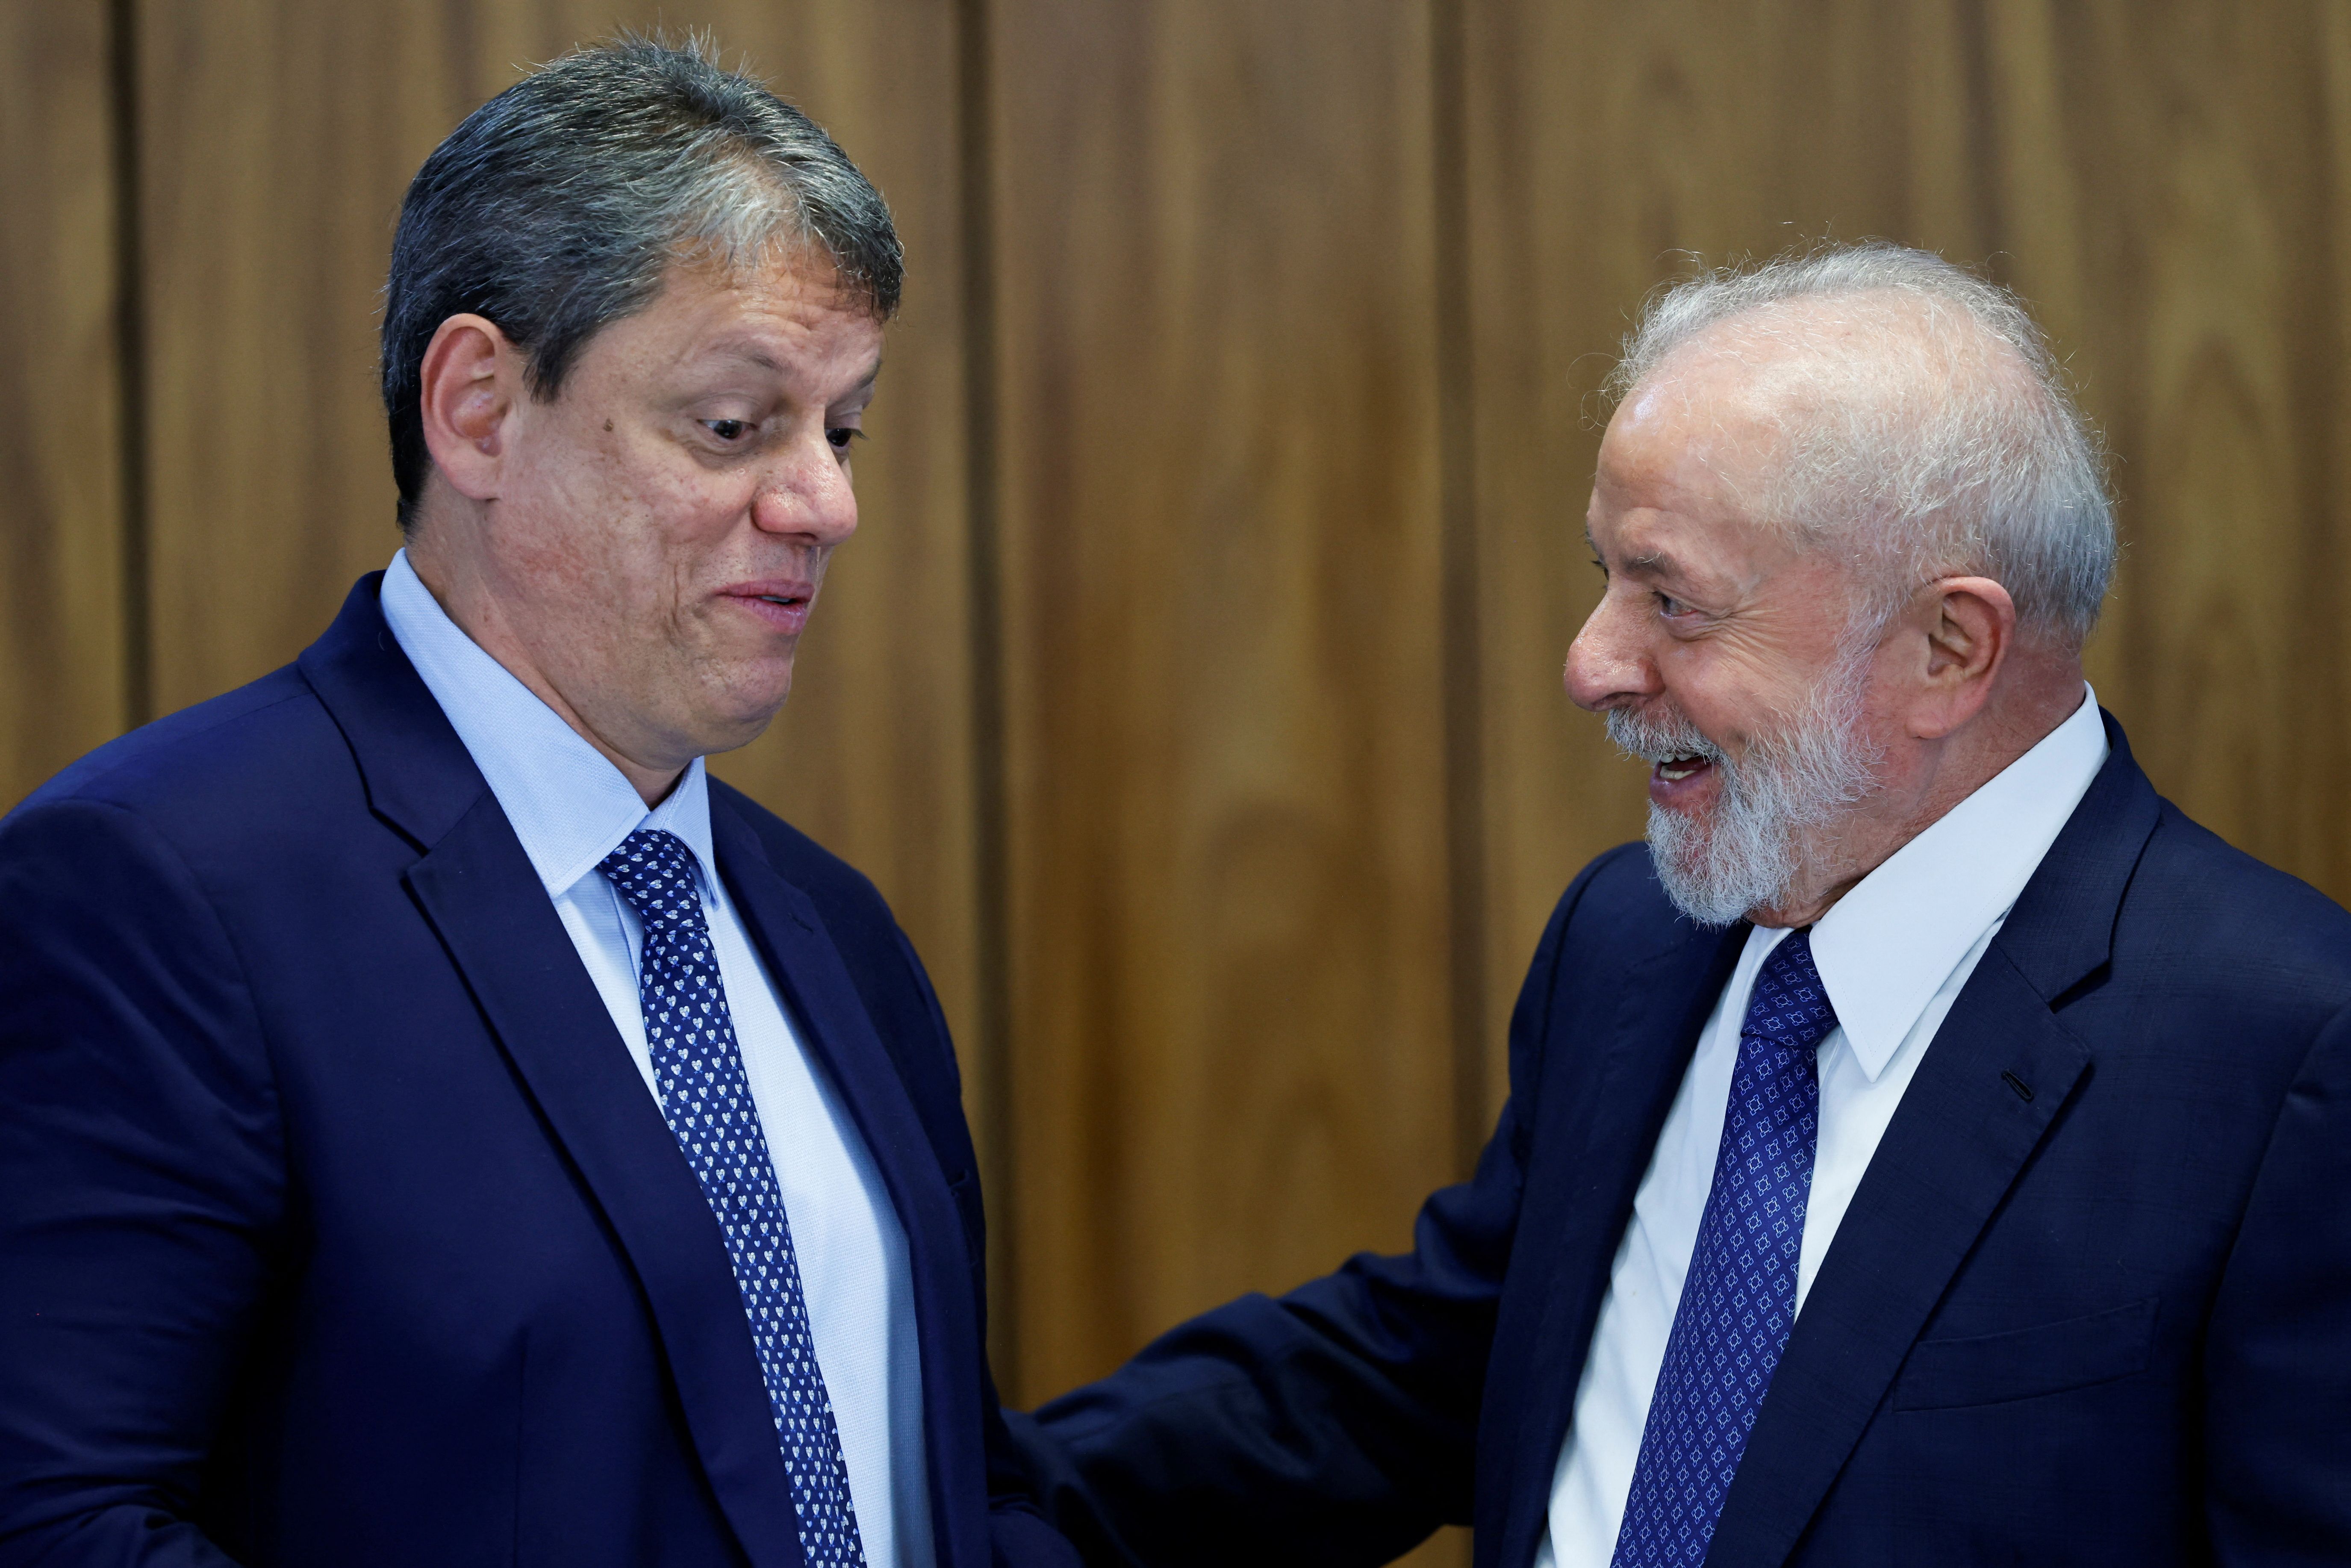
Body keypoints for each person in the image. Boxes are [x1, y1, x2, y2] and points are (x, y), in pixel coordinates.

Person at [1008, 244, 2351, 1565]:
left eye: (1672, 601)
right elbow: (1439, 1359)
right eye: (1603, 577)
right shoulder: (1633, 940)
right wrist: (959, 1500)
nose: (1590, 663)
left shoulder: (2287, 1055)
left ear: (1946, 648)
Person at [0, 36, 1072, 1568]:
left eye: (840, 431)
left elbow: (954, 1490)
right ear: (480, 409)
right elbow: (56, 1523)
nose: (827, 504)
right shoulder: (161, 893)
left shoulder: (833, 929)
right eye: (734, 424)